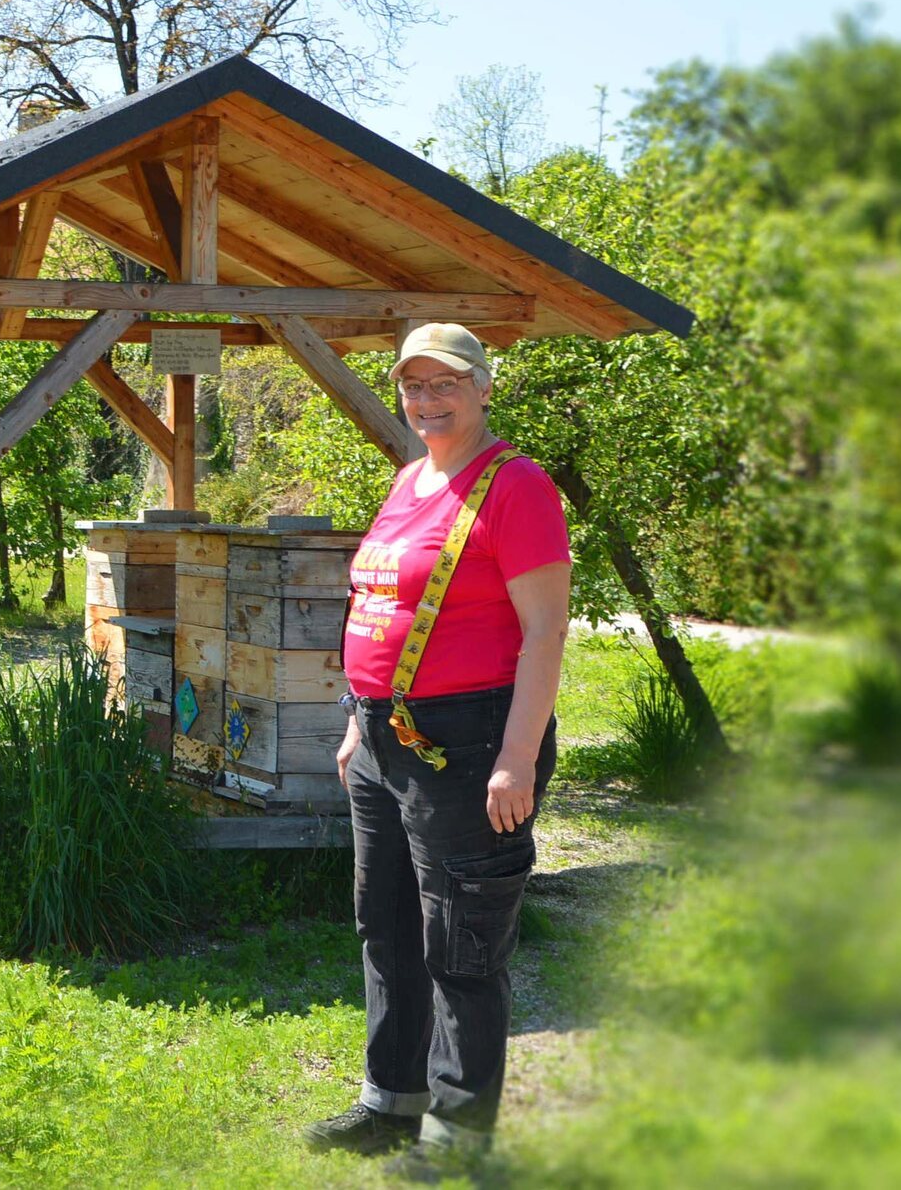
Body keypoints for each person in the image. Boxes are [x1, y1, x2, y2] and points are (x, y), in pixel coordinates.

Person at [302, 322, 571, 1171]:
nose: (427, 400)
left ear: (484, 387)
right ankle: (392, 1103)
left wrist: (517, 756)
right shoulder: (408, 478)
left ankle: (457, 1138)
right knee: (385, 925)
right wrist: (359, 723)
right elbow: (380, 606)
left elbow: (546, 632)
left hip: (471, 741)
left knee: (461, 945)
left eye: (446, 383)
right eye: (414, 385)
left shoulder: (516, 485)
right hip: (385, 740)